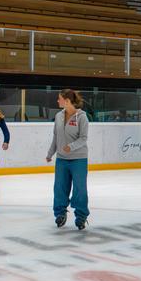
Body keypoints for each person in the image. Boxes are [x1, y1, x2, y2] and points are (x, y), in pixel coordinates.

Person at [46, 88, 90, 230]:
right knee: (59, 187)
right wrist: (50, 153)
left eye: (59, 98)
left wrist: (71, 147)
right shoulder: (58, 116)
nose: (57, 101)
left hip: (79, 159)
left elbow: (83, 138)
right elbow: (56, 136)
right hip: (62, 159)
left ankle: (81, 216)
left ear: (67, 101)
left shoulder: (82, 117)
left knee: (80, 189)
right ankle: (60, 214)